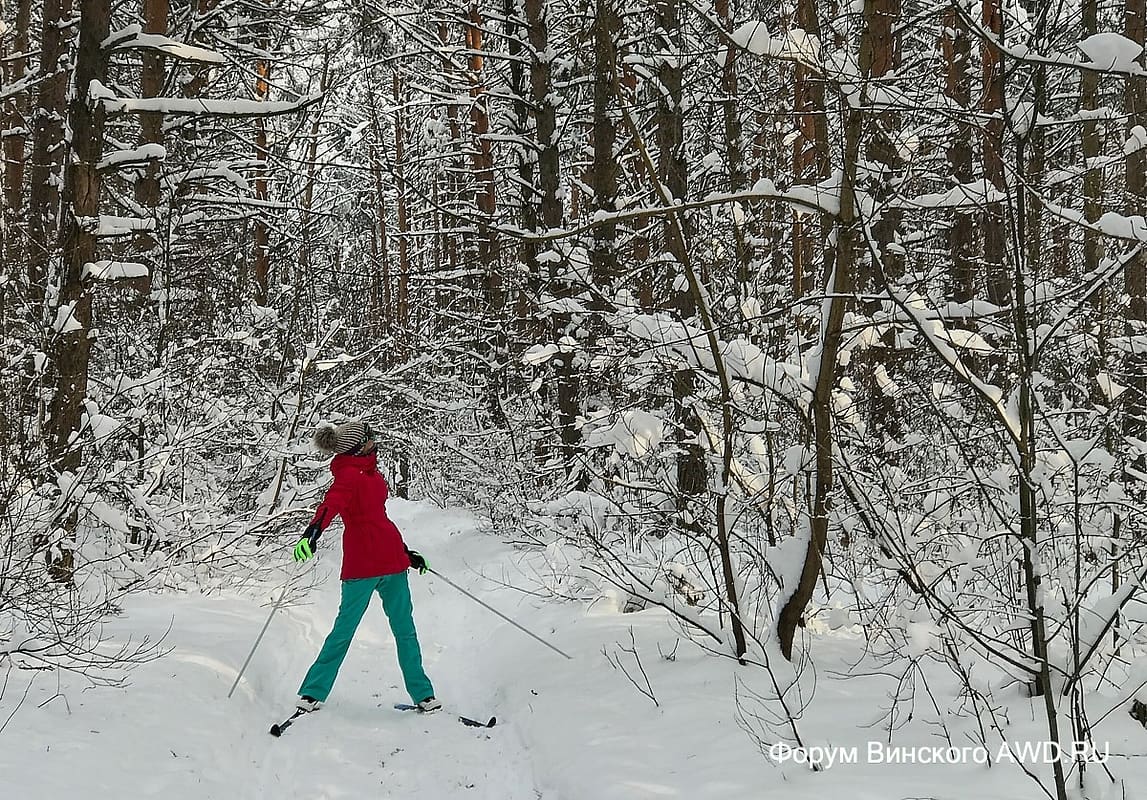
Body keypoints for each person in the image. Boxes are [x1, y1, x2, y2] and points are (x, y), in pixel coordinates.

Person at [290, 419, 440, 714]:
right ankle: (312, 692)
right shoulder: (348, 476)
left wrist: (405, 553)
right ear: (358, 447)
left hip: (392, 562)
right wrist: (312, 532)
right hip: (361, 566)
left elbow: (379, 522)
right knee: (343, 631)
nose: (375, 441)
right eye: (370, 437)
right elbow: (330, 505)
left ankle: (423, 693)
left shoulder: (373, 474)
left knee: (405, 629)